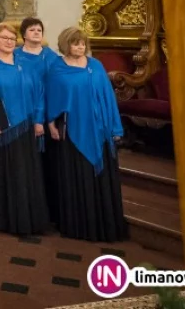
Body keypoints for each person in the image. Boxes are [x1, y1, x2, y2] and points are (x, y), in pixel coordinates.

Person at [46, 27, 128, 242]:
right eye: (75, 43)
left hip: (100, 130)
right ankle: (80, 226)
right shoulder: (57, 68)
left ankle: (107, 226)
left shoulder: (96, 66)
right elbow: (52, 98)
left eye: (82, 43)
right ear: (66, 44)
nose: (80, 47)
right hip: (72, 131)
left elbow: (109, 98)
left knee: (100, 179)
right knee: (78, 177)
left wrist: (115, 128)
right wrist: (51, 124)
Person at [0, 23, 49, 236]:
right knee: (3, 175)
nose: (8, 42)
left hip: (25, 128)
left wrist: (39, 120)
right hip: (0, 131)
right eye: (4, 38)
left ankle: (26, 218)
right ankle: (4, 220)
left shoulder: (25, 64)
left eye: (12, 38)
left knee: (24, 175)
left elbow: (39, 93)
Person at [15, 17, 60, 219]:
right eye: (32, 30)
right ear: (23, 34)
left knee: (47, 162)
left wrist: (43, 119)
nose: (36, 32)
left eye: (39, 29)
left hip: (48, 113)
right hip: (21, 115)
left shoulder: (52, 57)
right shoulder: (14, 56)